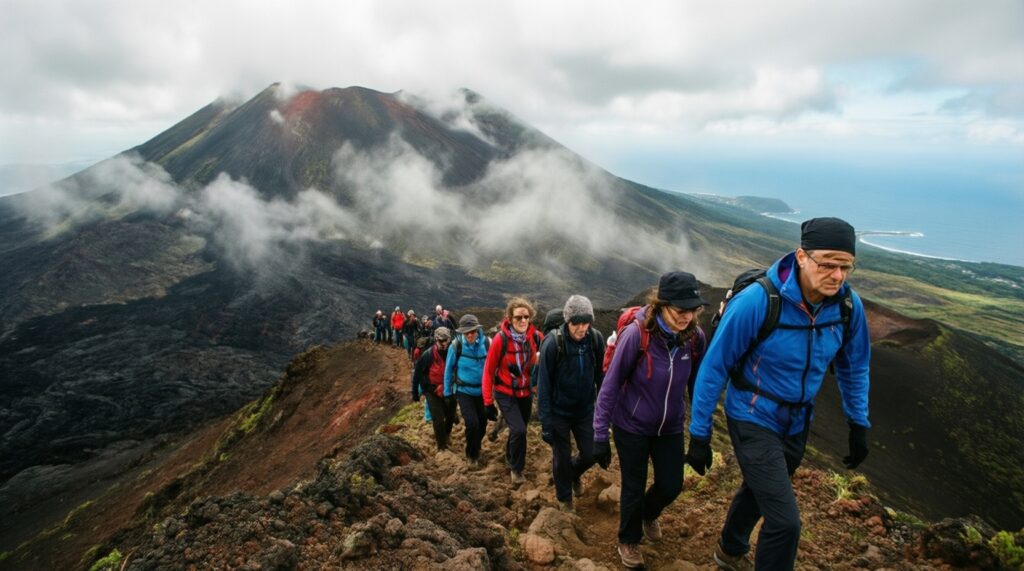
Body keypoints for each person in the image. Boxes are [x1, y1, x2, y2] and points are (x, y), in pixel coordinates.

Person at [687, 217, 871, 571]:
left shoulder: (848, 308)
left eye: (846, 266)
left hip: (798, 421)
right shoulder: (759, 301)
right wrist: (699, 432)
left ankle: (728, 548)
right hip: (751, 416)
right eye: (828, 264)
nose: (837, 275)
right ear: (802, 256)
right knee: (786, 522)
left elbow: (855, 365)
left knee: (761, 491)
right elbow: (714, 366)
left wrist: (858, 421)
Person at [593, 271, 708, 569]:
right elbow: (611, 384)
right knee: (634, 484)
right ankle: (628, 540)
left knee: (671, 484)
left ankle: (648, 513)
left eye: (693, 310)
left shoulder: (694, 338)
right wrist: (600, 435)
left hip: (670, 426)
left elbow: (698, 385)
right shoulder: (637, 335)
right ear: (661, 305)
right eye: (680, 310)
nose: (687, 317)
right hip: (631, 425)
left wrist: (701, 432)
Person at [536, 295, 605, 513]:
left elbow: (601, 379)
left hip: (585, 410)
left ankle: (573, 474)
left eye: (586, 322)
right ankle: (564, 499)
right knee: (561, 457)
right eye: (577, 322)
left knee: (591, 453)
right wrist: (545, 422)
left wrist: (604, 413)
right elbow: (544, 385)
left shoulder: (595, 339)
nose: (582, 328)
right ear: (567, 320)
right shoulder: (552, 343)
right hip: (559, 412)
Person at [482, 297, 543, 486]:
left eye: (526, 317)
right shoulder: (500, 340)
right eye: (518, 317)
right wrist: (487, 402)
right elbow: (488, 371)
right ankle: (516, 469)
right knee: (519, 430)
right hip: (505, 392)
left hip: (525, 393)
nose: (523, 321)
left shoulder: (535, 337)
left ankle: (510, 457)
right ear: (509, 318)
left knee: (519, 431)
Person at [444, 314, 491, 467]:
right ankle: (472, 455)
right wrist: (447, 393)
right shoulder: (455, 346)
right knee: (472, 423)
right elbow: (448, 370)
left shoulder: (487, 344)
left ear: (478, 330)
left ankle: (475, 445)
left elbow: (492, 368)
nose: (470, 335)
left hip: (482, 391)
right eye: (467, 332)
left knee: (483, 423)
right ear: (462, 333)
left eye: (473, 331)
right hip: (464, 391)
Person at [411, 327, 457, 451]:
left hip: (449, 389)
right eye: (440, 340)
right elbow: (417, 374)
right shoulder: (428, 355)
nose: (443, 343)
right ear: (436, 339)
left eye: (445, 340)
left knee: (450, 417)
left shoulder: (453, 352)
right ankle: (441, 446)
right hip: (432, 391)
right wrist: (415, 393)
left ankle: (446, 436)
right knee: (438, 419)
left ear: (449, 339)